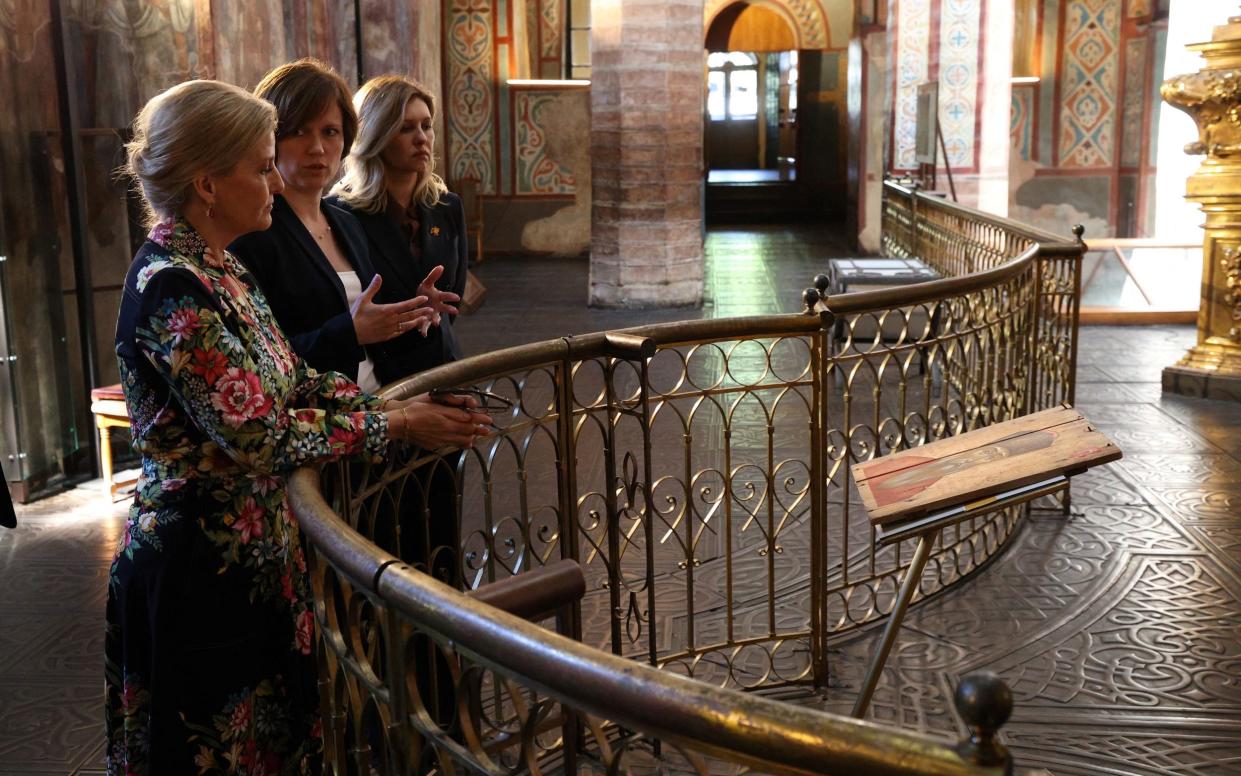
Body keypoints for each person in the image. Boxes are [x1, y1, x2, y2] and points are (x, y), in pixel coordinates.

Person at [106, 79, 491, 775]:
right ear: (207, 184)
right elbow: (259, 433)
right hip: (201, 563)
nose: (274, 183)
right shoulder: (172, 285)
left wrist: (391, 411)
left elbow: (295, 378)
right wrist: (398, 424)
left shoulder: (218, 265)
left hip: (258, 552)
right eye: (260, 167)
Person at [230, 59, 434, 391]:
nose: (317, 148)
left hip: (378, 403)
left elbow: (373, 335)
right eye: (298, 131)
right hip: (315, 422)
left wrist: (414, 314)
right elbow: (255, 362)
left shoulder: (346, 222)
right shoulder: (252, 233)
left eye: (330, 132)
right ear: (268, 139)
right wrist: (349, 333)